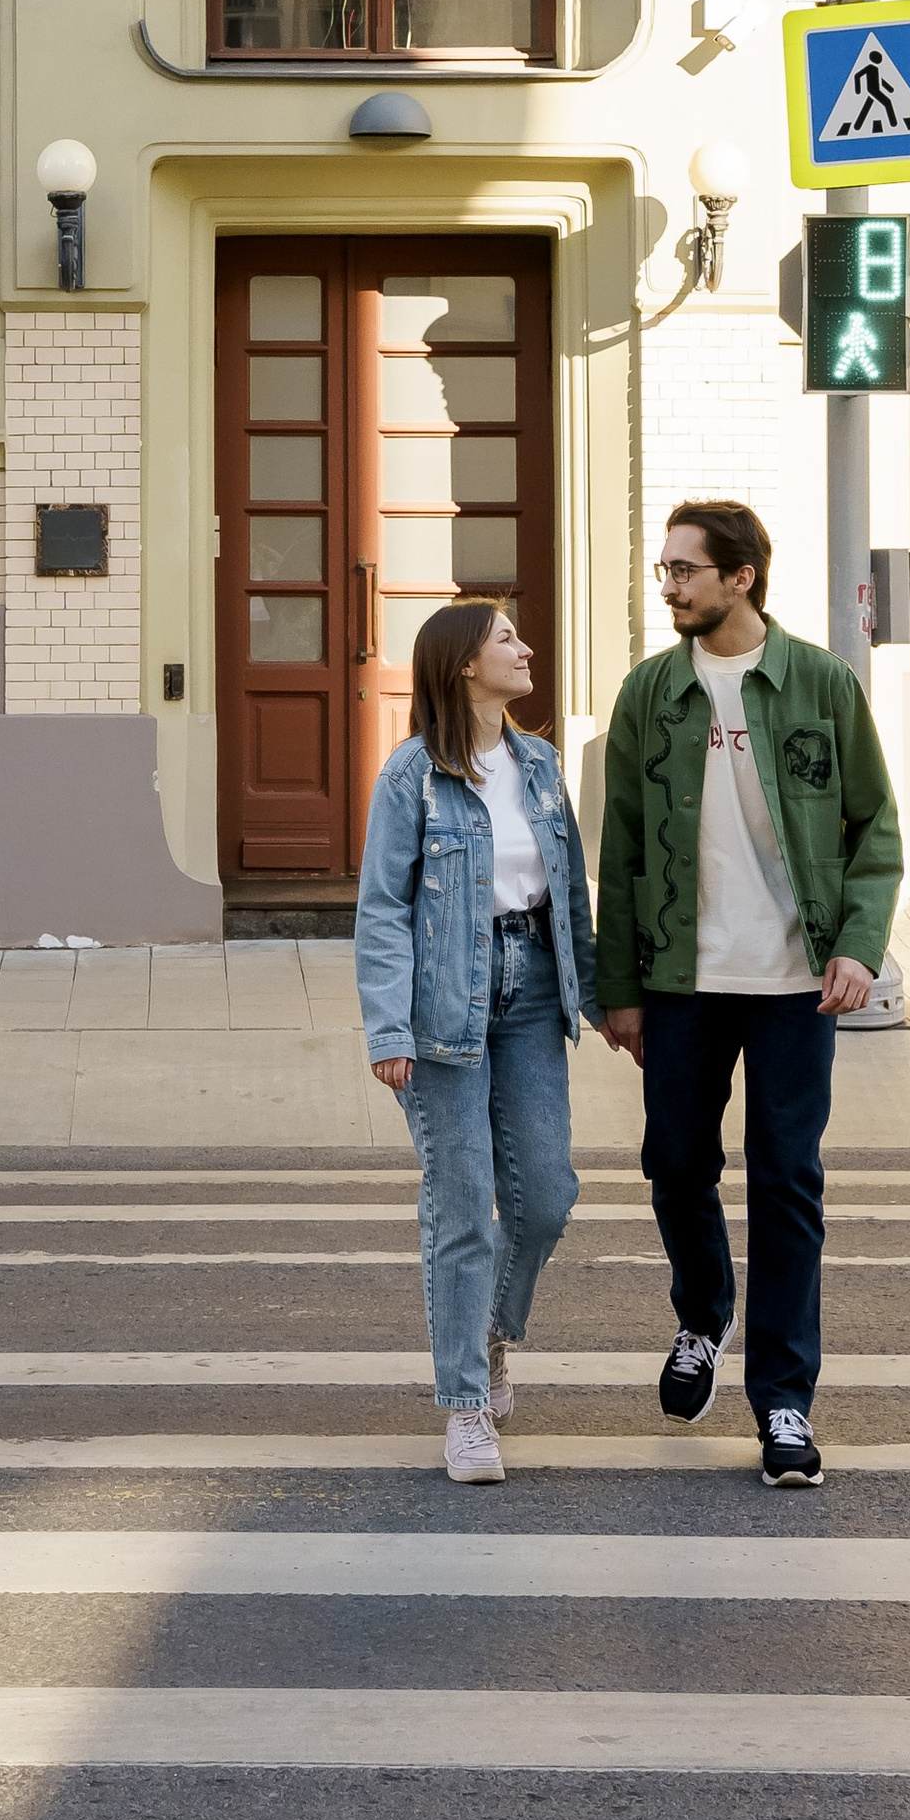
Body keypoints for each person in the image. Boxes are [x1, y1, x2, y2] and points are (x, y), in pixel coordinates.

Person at [594, 499, 900, 1490]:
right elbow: (622, 848)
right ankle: (701, 1315)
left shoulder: (816, 682)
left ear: (741, 578)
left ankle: (782, 1399)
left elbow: (872, 830)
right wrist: (621, 989)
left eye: (685, 569)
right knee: (675, 1165)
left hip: (790, 984)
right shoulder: (649, 693)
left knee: (785, 1183)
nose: (670, 585)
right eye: (664, 569)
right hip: (680, 980)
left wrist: (857, 948)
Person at [356, 598, 601, 1485]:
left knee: (546, 1196)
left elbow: (570, 892)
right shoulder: (411, 776)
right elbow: (382, 910)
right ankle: (464, 1406)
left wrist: (604, 999)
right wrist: (388, 1027)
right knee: (461, 1207)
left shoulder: (539, 766)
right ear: (464, 663)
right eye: (506, 639)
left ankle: (494, 1330)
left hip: (533, 986)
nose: (526, 648)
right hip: (442, 1007)